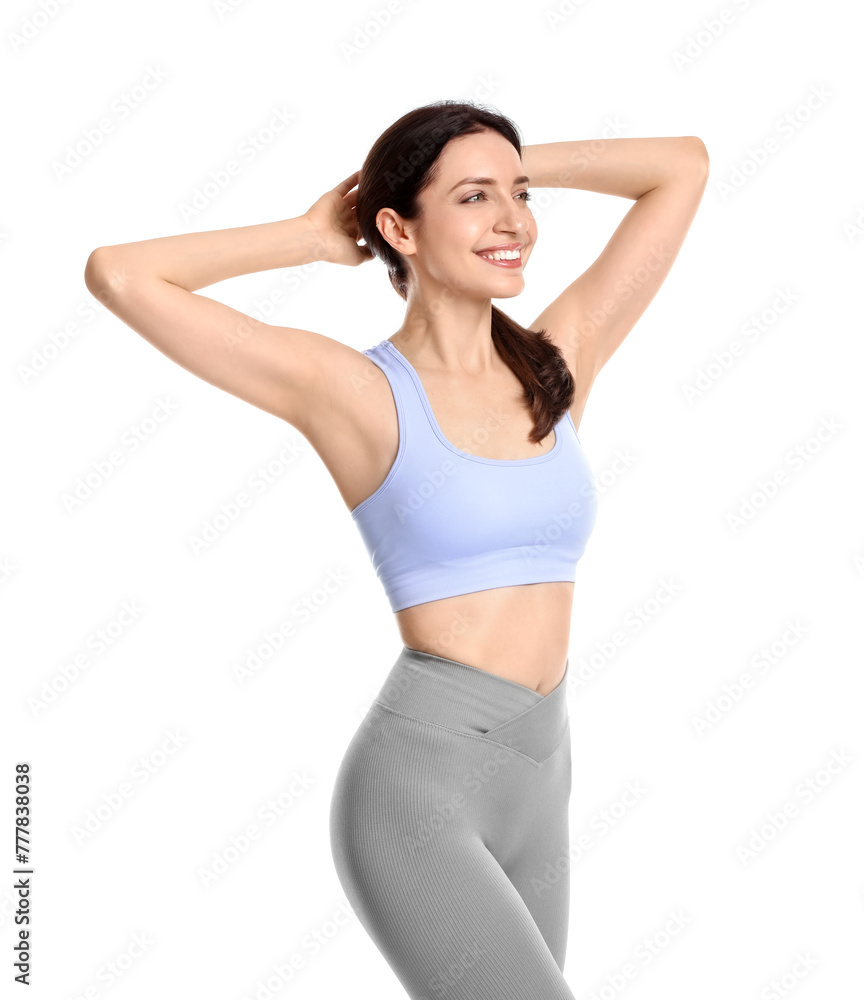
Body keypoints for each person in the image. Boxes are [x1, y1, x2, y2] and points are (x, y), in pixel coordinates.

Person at [84, 100, 708, 999]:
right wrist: (307, 236)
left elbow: (681, 166)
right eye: (473, 198)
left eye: (520, 196)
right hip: (420, 791)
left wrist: (512, 159)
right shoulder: (351, 388)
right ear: (396, 227)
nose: (514, 222)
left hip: (544, 775)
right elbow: (121, 275)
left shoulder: (555, 370)